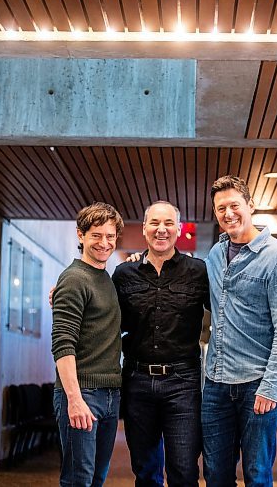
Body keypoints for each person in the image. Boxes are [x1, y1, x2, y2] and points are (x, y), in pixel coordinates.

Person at [201, 176, 277, 486]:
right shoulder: (215, 255)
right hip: (216, 382)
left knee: (256, 475)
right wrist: (139, 261)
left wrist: (271, 386)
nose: (228, 213)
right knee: (215, 474)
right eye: (220, 208)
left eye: (234, 205)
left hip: (258, 383)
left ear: (250, 206)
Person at [112, 200, 210, 487]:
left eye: (168, 223)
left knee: (183, 469)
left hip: (183, 382)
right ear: (144, 229)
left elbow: (227, 307)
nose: (161, 229)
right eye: (154, 223)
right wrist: (67, 294)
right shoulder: (123, 274)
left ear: (178, 229)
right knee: (145, 470)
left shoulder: (198, 271)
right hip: (137, 380)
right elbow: (104, 315)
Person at [51, 202, 124, 487]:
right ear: (81, 235)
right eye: (96, 235)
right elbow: (62, 344)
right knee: (77, 481)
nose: (104, 243)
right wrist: (74, 398)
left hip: (108, 394)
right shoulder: (73, 279)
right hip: (82, 394)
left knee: (95, 479)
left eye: (109, 236)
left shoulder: (105, 279)